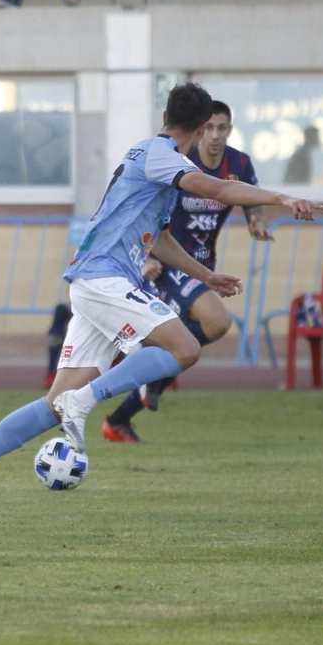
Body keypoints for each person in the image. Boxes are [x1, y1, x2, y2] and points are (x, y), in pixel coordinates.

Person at [0, 83, 323, 511]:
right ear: (197, 130)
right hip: (104, 280)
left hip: (96, 282)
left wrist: (206, 275)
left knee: (52, 408)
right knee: (185, 347)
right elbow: (219, 189)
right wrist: (282, 197)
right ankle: (85, 401)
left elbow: (156, 240)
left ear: (164, 116)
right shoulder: (162, 155)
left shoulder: (151, 157)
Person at [102, 101, 273, 442]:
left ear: (230, 131)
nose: (214, 135)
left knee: (183, 341)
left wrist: (256, 220)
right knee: (218, 322)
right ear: (199, 130)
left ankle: (121, 415)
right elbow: (148, 210)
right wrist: (148, 255)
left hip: (202, 265)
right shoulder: (181, 164)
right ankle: (147, 374)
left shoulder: (239, 164)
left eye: (221, 128)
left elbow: (250, 199)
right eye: (208, 128)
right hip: (168, 264)